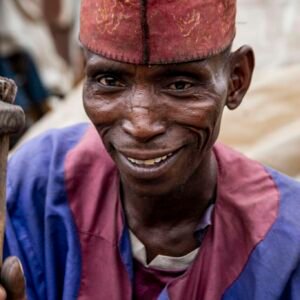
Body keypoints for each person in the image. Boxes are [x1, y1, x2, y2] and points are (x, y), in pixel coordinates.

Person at [0, 0, 300, 299]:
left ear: (236, 80)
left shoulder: (286, 242)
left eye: (180, 85)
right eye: (110, 80)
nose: (141, 125)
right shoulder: (36, 187)